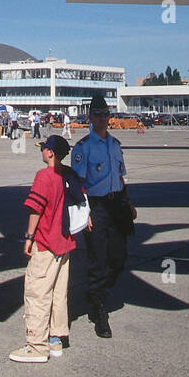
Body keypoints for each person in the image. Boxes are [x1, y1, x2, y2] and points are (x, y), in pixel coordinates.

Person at [10, 135, 84, 363]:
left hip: (46, 242)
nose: (41, 151)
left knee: (37, 292)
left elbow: (36, 209)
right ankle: (56, 337)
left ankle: (36, 345)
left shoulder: (44, 176)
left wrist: (29, 237)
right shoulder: (69, 174)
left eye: (43, 148)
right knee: (59, 292)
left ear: (50, 152)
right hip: (65, 242)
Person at [70, 93, 136, 339]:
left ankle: (97, 293)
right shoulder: (83, 147)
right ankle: (98, 310)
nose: (102, 119)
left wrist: (128, 202)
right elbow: (77, 182)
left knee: (118, 258)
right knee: (98, 258)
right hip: (95, 207)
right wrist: (84, 211)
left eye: (105, 114)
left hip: (117, 204)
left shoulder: (115, 145)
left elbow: (120, 176)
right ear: (90, 117)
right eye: (97, 115)